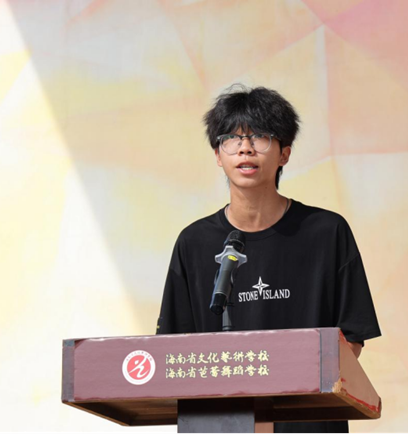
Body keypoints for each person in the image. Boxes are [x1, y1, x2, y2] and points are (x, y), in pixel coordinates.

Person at [157, 85, 381, 434]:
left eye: (259, 137)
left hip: (307, 424)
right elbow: (174, 351)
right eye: (231, 138)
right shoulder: (193, 243)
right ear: (218, 154)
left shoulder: (326, 232)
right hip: (220, 425)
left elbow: (351, 338)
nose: (245, 148)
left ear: (284, 154)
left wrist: (289, 382)